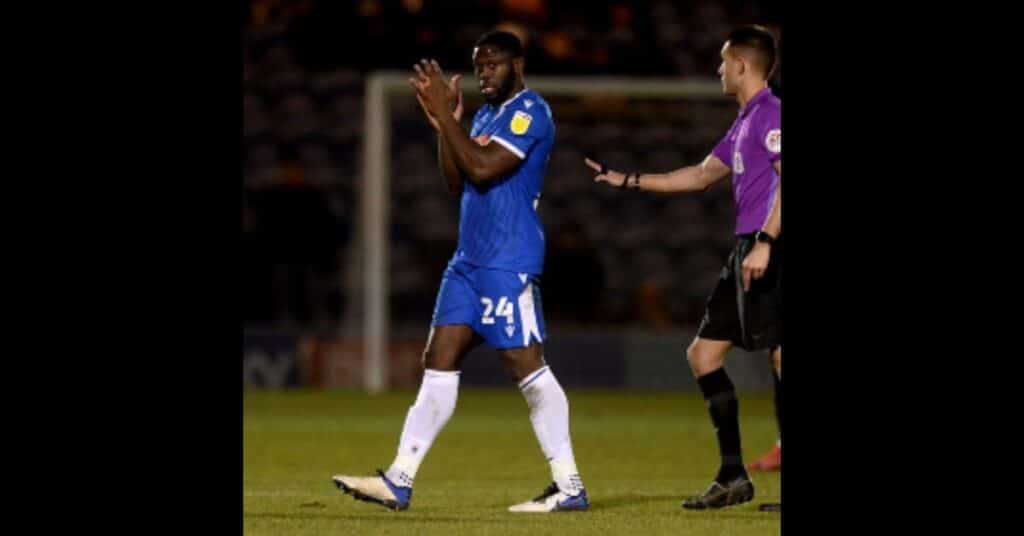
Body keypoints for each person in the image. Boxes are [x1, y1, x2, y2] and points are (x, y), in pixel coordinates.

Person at [332, 30, 589, 513]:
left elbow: (485, 167)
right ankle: (399, 479)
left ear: (518, 64)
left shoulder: (530, 111)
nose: (484, 73)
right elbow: (456, 178)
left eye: (493, 63)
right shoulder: (486, 114)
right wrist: (446, 123)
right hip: (468, 262)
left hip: (506, 260)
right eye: (478, 65)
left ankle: (569, 484)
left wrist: (454, 129)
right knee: (438, 357)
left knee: (525, 365)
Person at [586, 25, 781, 510]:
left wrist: (767, 241)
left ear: (741, 65)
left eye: (722, 61)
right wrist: (629, 180)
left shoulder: (773, 113)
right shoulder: (744, 122)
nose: (717, 69)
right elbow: (698, 175)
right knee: (703, 355)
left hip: (770, 246)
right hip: (746, 248)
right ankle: (733, 476)